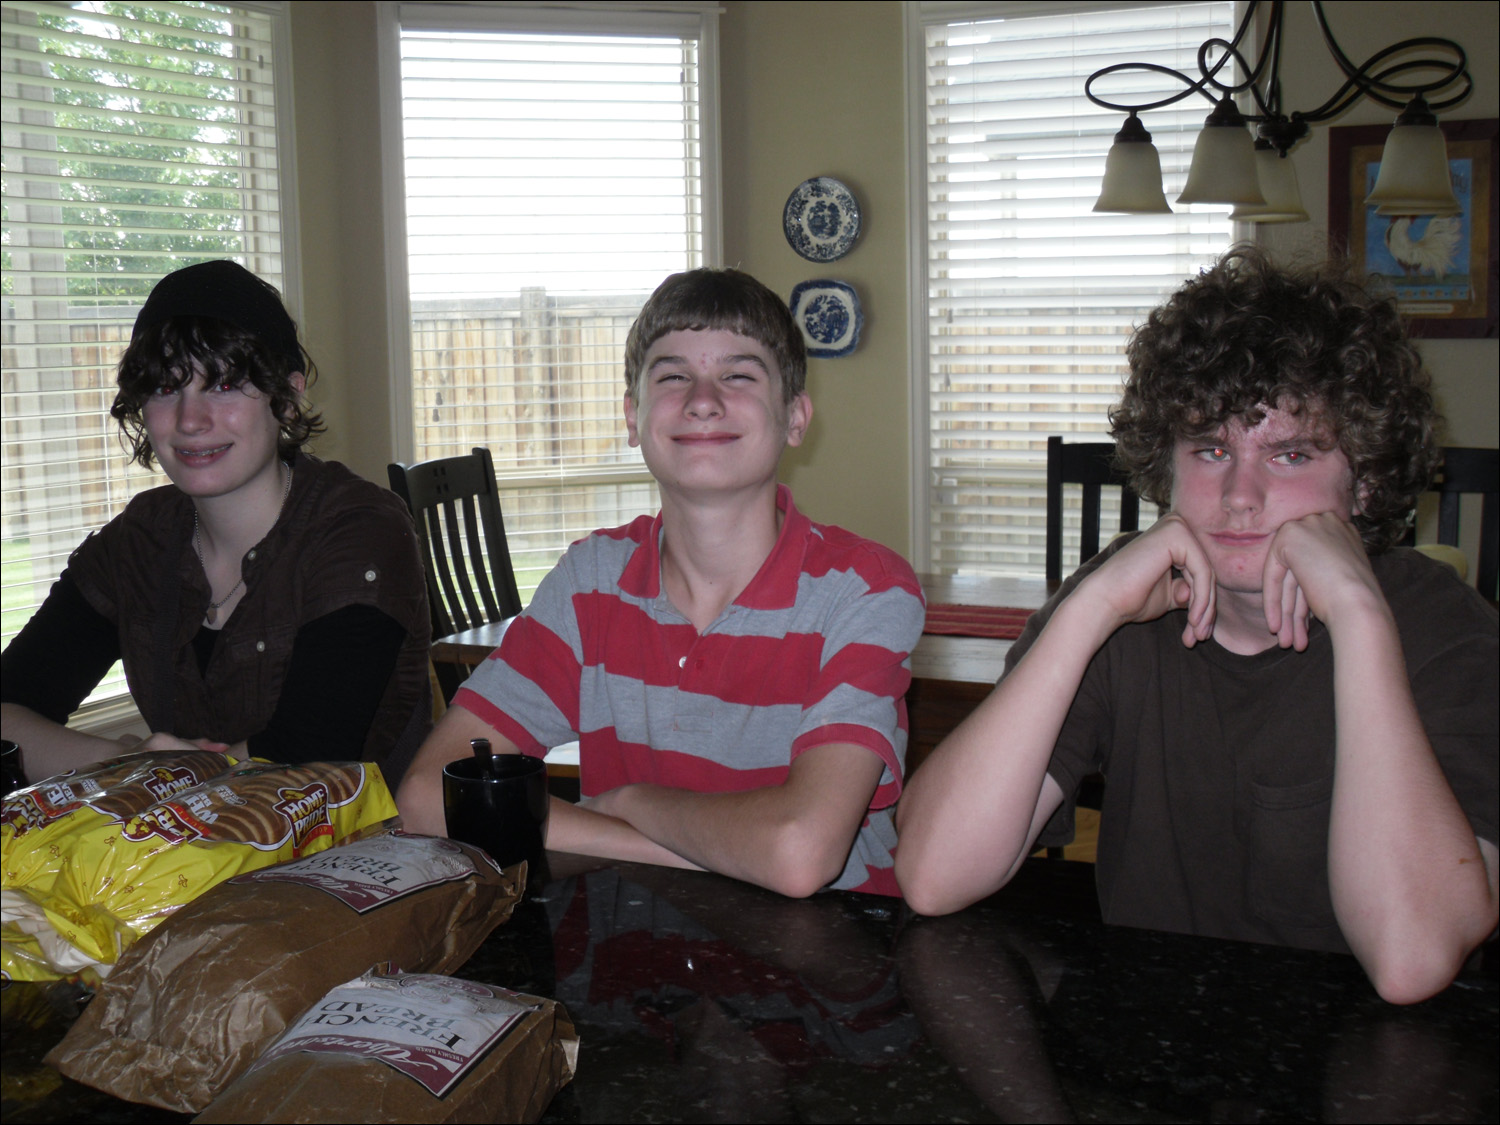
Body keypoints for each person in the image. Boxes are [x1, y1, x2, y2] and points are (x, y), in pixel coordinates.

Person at [895, 249, 1498, 1003]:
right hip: (1157, 1043)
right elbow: (930, 874)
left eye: (1290, 453)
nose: (1240, 495)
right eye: (1211, 449)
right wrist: (1089, 609)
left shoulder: (1448, 631)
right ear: (1167, 466)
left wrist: (1360, 617)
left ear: (1366, 479)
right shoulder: (1125, 603)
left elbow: (1412, 959)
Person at [396, 268, 924, 897]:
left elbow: (799, 852)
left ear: (795, 418)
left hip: (824, 967)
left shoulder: (862, 589)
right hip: (629, 967)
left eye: (740, 374)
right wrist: (662, 843)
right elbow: (428, 798)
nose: (703, 399)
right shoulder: (591, 582)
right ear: (633, 416)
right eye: (672, 376)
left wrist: (634, 801)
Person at [1, 261, 431, 785]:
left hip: (360, 854)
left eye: (224, 384)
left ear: (289, 399)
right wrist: (127, 764)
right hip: (182, 856)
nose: (189, 419)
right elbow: (10, 706)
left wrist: (168, 773)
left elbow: (304, 758)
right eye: (164, 388)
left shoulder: (360, 532)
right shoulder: (138, 543)